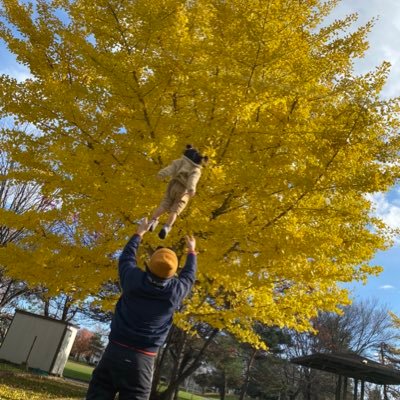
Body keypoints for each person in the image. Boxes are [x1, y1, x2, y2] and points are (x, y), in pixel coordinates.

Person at [86, 218, 197, 400]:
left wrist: (139, 233)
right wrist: (192, 251)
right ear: (173, 274)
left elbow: (126, 257)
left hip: (114, 352)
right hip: (143, 360)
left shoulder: (133, 280)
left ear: (148, 265)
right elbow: (189, 276)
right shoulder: (174, 293)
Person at [148, 144, 208, 239]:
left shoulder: (180, 161)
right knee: (176, 209)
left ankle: (153, 221)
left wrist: (161, 174)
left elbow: (170, 169)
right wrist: (191, 189)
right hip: (184, 190)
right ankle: (167, 227)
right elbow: (193, 179)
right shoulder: (196, 169)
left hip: (173, 185)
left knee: (164, 204)